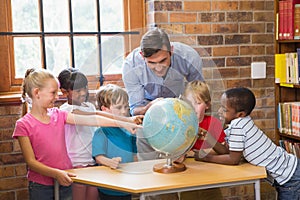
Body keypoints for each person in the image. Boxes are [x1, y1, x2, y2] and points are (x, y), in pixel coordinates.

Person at [12, 68, 142, 200]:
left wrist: (125, 122)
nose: (57, 97)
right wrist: (56, 174)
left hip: (66, 178)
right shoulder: (23, 125)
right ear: (37, 93)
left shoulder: (59, 115)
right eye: (53, 93)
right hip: (41, 185)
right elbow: (31, 162)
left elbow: (93, 117)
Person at [194, 87, 300, 200]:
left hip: (290, 178)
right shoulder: (241, 123)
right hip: (290, 173)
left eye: (224, 110)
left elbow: (233, 160)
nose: (219, 111)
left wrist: (205, 157)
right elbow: (227, 151)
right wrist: (208, 137)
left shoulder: (238, 126)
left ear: (240, 114)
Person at [122, 27, 205, 161]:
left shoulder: (189, 57)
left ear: (171, 50)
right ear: (142, 56)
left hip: (178, 109)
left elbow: (199, 91)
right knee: (148, 165)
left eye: (163, 61)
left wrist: (197, 109)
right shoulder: (130, 66)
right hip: (147, 115)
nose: (159, 68)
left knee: (179, 164)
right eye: (152, 63)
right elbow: (136, 111)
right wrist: (149, 107)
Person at [57, 68, 98, 200]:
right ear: (64, 92)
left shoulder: (90, 106)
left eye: (84, 88)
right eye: (78, 90)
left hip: (92, 162)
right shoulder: (65, 110)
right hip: (75, 164)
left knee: (93, 195)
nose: (83, 93)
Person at [92, 84, 137, 200]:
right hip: (108, 187)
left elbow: (134, 156)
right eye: (118, 107)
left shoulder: (129, 131)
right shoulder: (101, 132)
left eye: (126, 107)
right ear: (104, 110)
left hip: (128, 186)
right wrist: (109, 162)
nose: (123, 111)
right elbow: (98, 157)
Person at [182, 80, 227, 156]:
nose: (193, 107)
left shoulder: (214, 123)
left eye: (198, 103)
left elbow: (223, 148)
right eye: (189, 103)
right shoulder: (180, 123)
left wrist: (194, 153)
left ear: (207, 105)